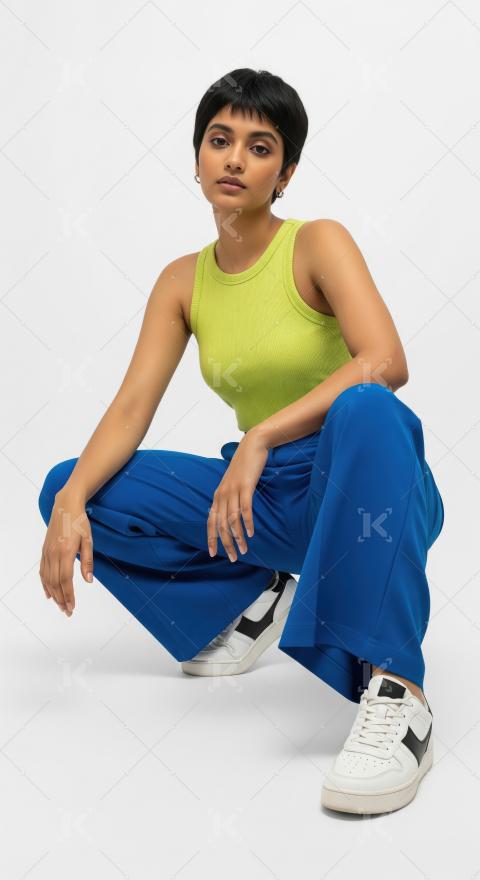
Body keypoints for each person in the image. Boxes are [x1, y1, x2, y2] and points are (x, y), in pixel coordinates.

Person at [38, 68, 445, 815]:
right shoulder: (180, 282)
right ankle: (246, 601)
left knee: (366, 407)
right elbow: (132, 408)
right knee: (75, 486)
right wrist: (66, 500)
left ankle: (399, 690)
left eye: (259, 148)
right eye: (219, 141)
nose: (233, 159)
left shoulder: (317, 243)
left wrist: (263, 433)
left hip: (362, 489)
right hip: (263, 504)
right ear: (196, 157)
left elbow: (386, 361)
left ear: (284, 172)